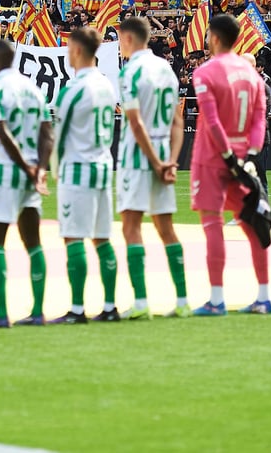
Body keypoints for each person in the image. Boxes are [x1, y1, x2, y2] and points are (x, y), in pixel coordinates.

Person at [189, 13, 270, 317]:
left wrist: (226, 155)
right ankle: (263, 296)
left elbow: (210, 121)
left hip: (212, 158)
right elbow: (259, 119)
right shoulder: (253, 76)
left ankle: (216, 299)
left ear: (213, 37)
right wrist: (248, 155)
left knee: (213, 225)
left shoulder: (205, 73)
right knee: (252, 224)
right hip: (244, 156)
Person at [0, 40, 51, 328]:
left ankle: (1, 313)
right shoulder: (33, 88)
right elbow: (48, 133)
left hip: (5, 171)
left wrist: (27, 168)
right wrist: (39, 169)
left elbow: (3, 134)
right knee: (33, 241)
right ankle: (37, 310)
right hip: (31, 172)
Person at [116, 18, 189, 320]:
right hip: (163, 149)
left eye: (120, 39)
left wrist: (156, 162)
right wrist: (170, 160)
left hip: (138, 154)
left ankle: (142, 301)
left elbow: (135, 123)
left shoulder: (130, 72)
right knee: (166, 228)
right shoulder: (166, 70)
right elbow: (177, 122)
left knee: (131, 227)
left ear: (129, 38)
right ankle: (183, 300)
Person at [49, 27, 120, 324]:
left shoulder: (72, 90)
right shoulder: (106, 86)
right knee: (102, 238)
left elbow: (59, 136)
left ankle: (77, 309)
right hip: (103, 167)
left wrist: (51, 169)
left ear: (77, 50)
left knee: (73, 237)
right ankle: (109, 305)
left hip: (77, 170)